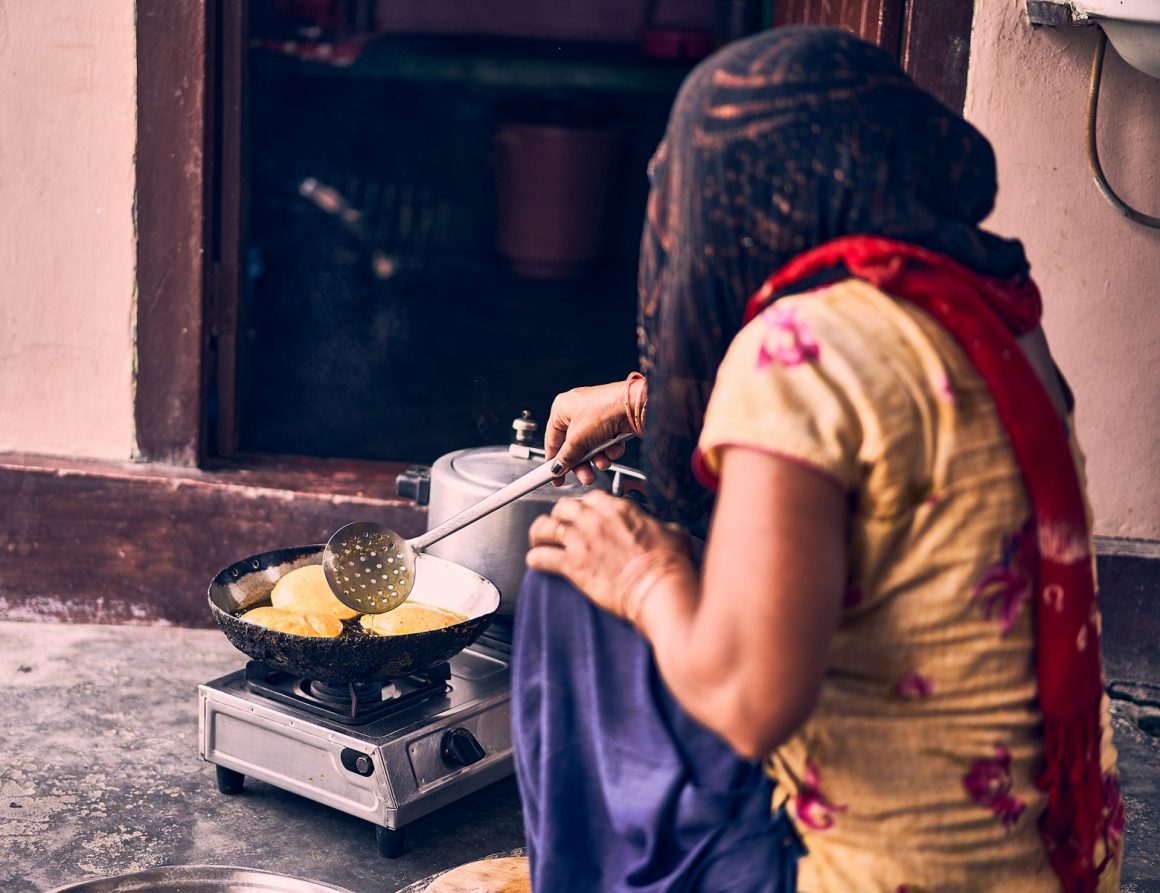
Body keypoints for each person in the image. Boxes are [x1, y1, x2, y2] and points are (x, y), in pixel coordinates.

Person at [505, 25, 1124, 893]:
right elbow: (886, 425)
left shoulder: (798, 347)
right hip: (1041, 853)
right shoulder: (990, 312)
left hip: (872, 873)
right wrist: (643, 400)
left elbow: (753, 706)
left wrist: (644, 578)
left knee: (574, 580)